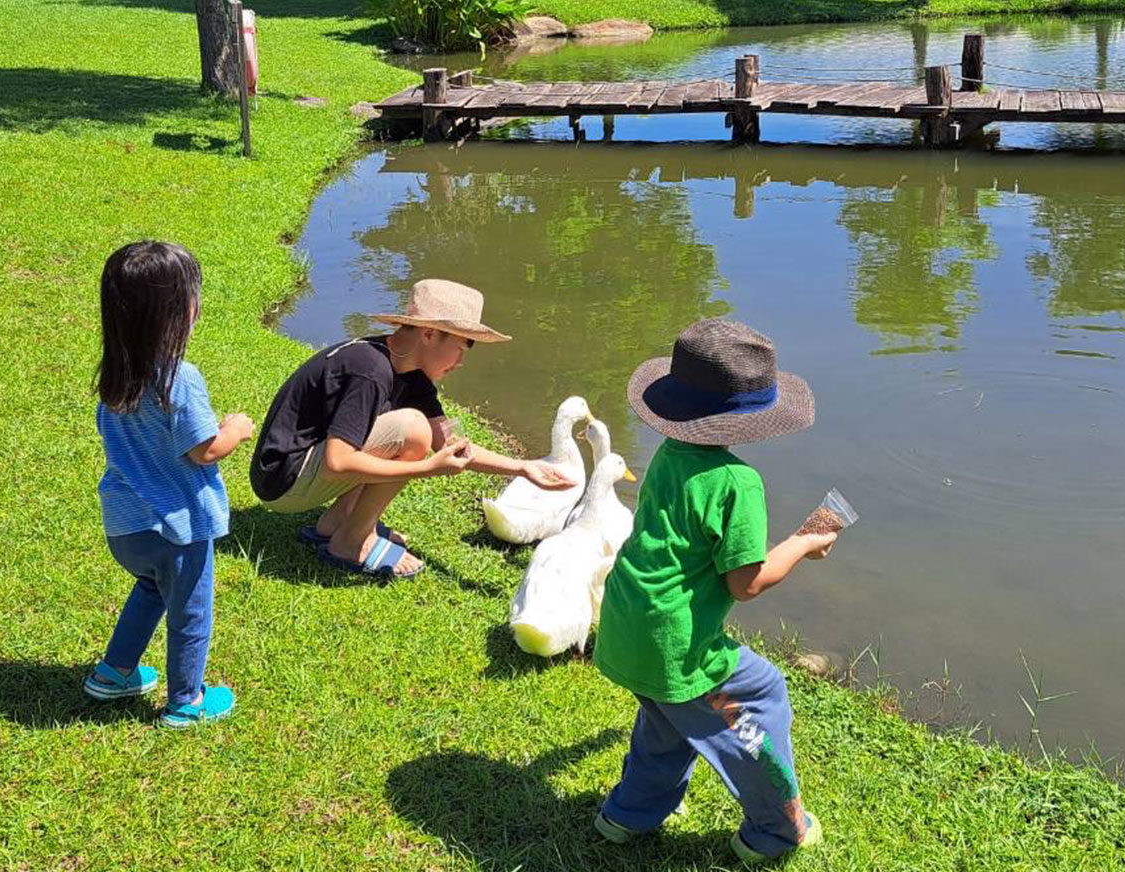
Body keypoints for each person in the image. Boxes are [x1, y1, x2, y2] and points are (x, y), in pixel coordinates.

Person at [592, 318, 836, 864]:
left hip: (629, 618)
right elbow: (746, 584)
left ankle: (627, 815)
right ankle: (777, 829)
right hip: (676, 642)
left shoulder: (668, 457)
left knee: (668, 718)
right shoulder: (737, 482)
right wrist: (802, 542)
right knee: (762, 693)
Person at [249, 279, 574, 580]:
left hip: (304, 469)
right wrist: (427, 469)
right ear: (429, 334)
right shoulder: (370, 370)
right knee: (412, 429)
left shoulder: (412, 375)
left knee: (409, 429)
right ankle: (350, 542)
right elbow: (337, 462)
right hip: (283, 481)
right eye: (461, 347)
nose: (461, 361)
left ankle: (334, 525)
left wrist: (522, 467)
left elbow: (450, 444)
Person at [85, 241, 255, 728]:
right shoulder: (179, 379)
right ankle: (186, 702)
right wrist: (236, 429)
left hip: (126, 528)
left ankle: (114, 673)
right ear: (181, 313)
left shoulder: (115, 375)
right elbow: (204, 449)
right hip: (177, 528)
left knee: (152, 591)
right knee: (192, 613)